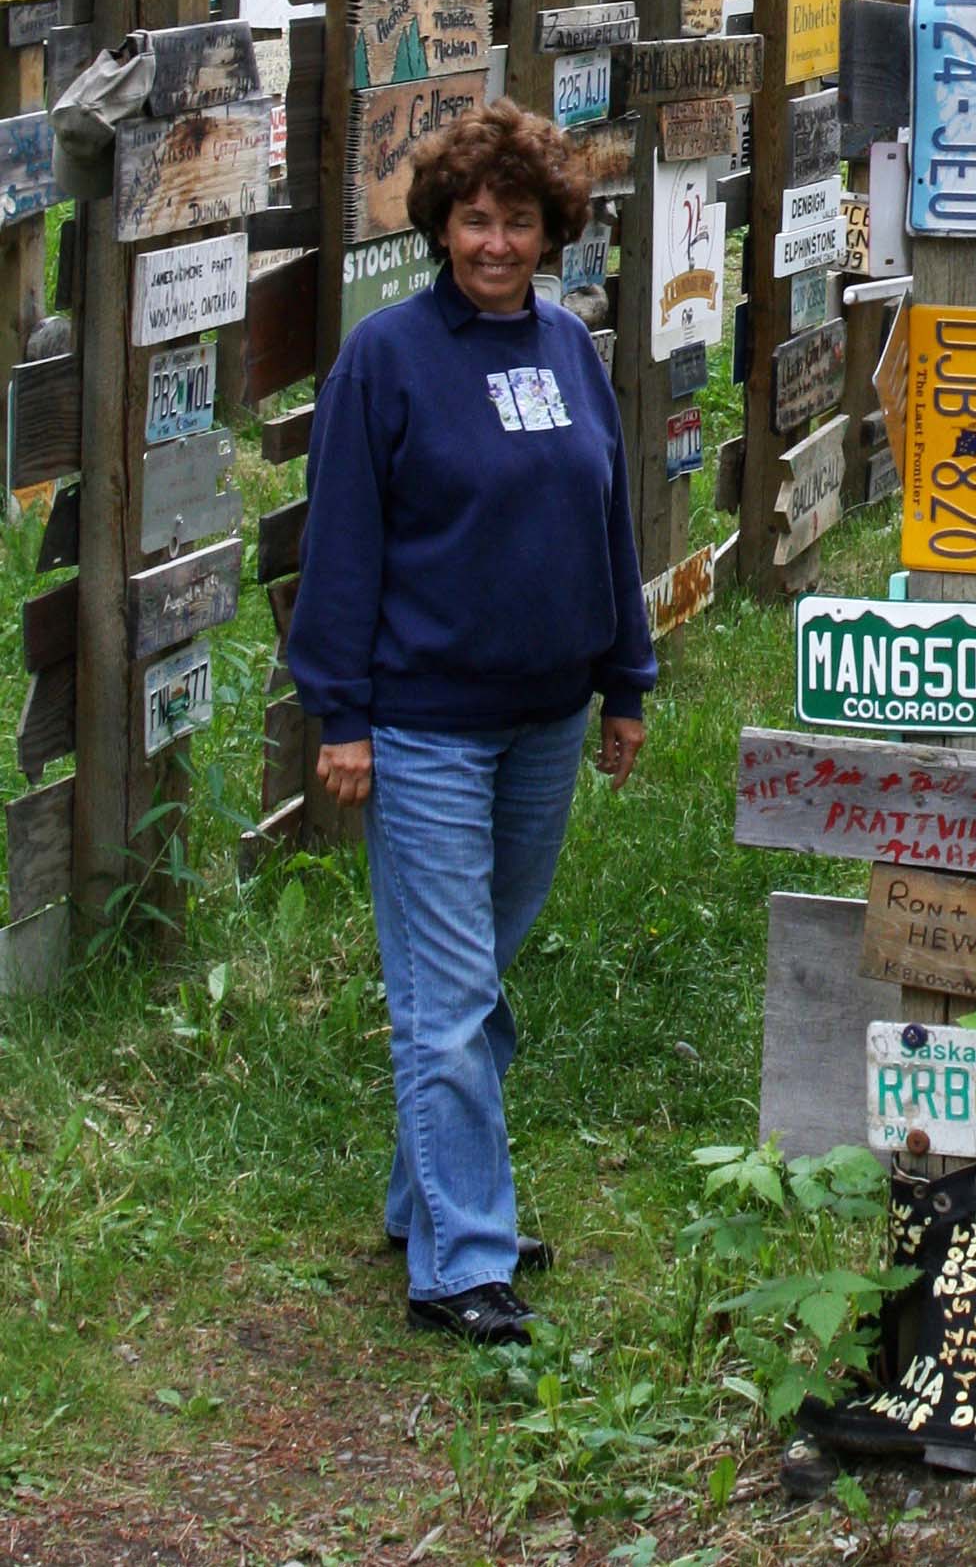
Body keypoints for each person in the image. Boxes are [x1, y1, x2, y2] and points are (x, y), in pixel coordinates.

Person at [288, 103, 656, 1347]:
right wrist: (341, 713)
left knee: (477, 978)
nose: (494, 242)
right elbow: (341, 544)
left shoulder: (568, 349)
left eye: (517, 220)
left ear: (555, 229)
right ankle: (462, 1266)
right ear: (440, 225)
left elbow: (608, 521)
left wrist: (626, 682)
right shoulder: (387, 359)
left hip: (547, 717)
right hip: (427, 727)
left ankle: (430, 1203)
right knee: (445, 995)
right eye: (472, 219)